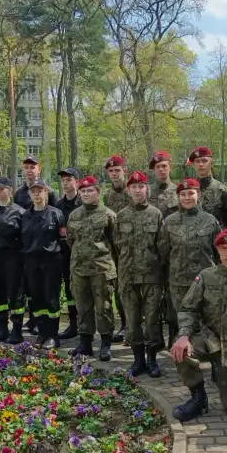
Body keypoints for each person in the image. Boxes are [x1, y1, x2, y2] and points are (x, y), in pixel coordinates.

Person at [168, 228, 227, 421]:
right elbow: (188, 309)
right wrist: (184, 335)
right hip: (208, 340)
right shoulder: (206, 277)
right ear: (217, 250)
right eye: (223, 248)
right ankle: (198, 398)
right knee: (181, 351)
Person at [158, 178, 221, 346]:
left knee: (207, 320)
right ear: (178, 197)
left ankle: (207, 354)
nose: (187, 198)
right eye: (183, 194)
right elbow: (163, 252)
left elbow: (219, 252)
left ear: (198, 194)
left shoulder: (210, 220)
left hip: (204, 282)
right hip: (179, 282)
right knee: (181, 320)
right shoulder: (170, 221)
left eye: (191, 193)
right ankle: (183, 353)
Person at [115, 171, 164, 377]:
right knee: (132, 319)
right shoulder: (121, 216)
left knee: (152, 319)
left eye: (141, 186)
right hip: (128, 276)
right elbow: (116, 245)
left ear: (147, 189)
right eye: (134, 187)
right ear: (128, 190)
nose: (137, 190)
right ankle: (138, 360)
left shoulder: (156, 214)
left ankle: (152, 359)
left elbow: (162, 246)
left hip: (151, 275)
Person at [66, 175, 118, 359]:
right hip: (79, 269)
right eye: (83, 191)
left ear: (98, 192)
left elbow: (115, 243)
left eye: (90, 190)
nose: (86, 194)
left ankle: (105, 343)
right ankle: (85, 343)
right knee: (83, 307)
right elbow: (70, 240)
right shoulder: (74, 215)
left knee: (103, 308)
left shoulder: (109, 215)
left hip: (101, 270)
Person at [20, 180, 64, 348]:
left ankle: (53, 335)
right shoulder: (25, 216)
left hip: (51, 261)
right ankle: (42, 332)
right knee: (36, 298)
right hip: (32, 262)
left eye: (40, 191)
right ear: (30, 194)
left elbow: (63, 238)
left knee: (51, 298)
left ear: (46, 193)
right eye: (34, 192)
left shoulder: (56, 214)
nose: (37, 194)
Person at [0, 176, 25, 342]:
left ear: (10, 190)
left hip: (12, 257)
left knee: (15, 294)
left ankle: (17, 330)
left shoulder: (20, 212)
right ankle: (2, 327)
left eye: (2, 189)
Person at [103, 155, 131, 342]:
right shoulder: (107, 195)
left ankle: (137, 325)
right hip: (115, 249)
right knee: (120, 288)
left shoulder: (134, 190)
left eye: (117, 170)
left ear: (124, 171)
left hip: (133, 247)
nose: (114, 174)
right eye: (111, 171)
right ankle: (125, 324)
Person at [54, 167, 83, 339]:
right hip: (65, 255)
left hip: (84, 256)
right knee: (69, 290)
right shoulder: (58, 207)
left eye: (69, 180)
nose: (65, 184)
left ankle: (86, 326)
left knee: (85, 292)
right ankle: (73, 325)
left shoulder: (84, 203)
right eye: (63, 181)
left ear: (77, 182)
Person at [187, 147, 227, 227]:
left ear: (211, 163)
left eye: (204, 161)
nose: (201, 164)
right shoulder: (187, 190)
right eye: (197, 161)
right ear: (193, 165)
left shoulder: (222, 190)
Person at [148, 151, 177, 217]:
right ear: (154, 170)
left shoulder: (179, 191)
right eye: (157, 167)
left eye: (164, 166)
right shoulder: (147, 191)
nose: (160, 169)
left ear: (170, 168)